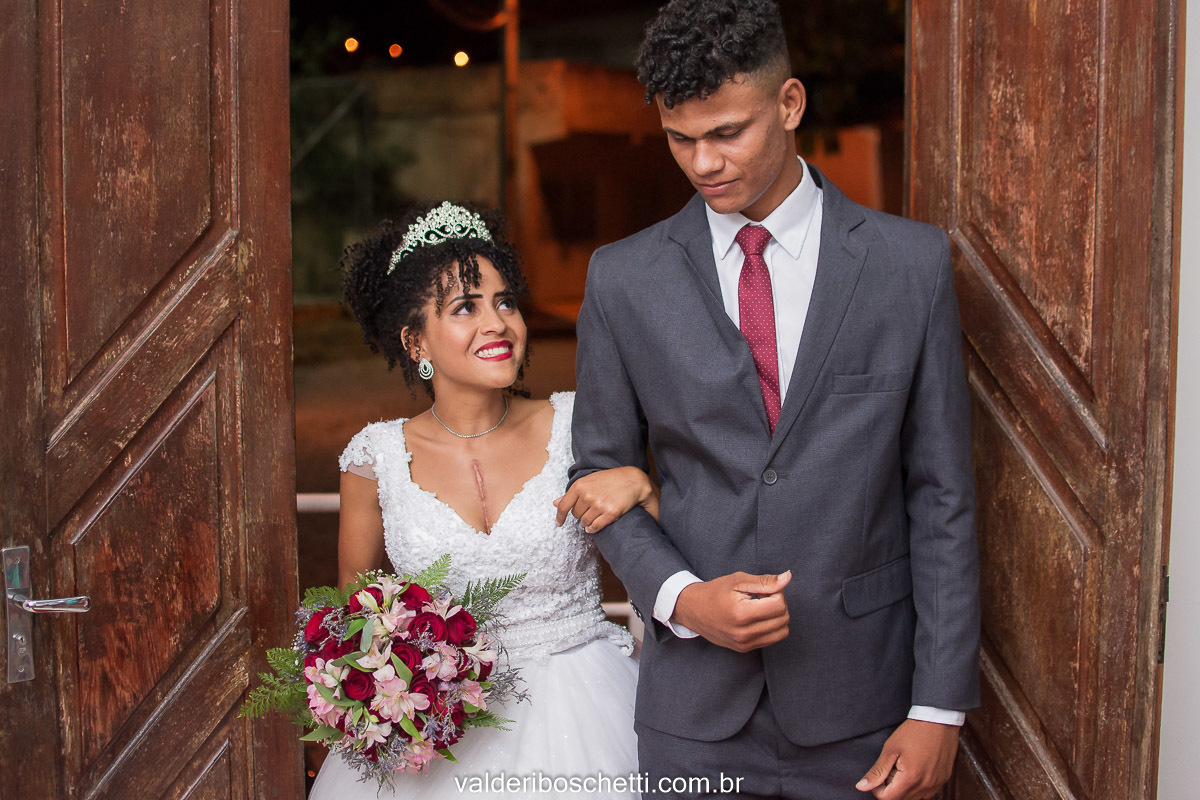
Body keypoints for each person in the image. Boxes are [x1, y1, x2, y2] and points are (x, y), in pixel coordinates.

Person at [560, 1, 981, 798]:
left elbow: (942, 496)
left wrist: (939, 707)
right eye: (680, 138)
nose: (702, 163)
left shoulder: (909, 265)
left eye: (727, 133)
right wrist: (684, 601)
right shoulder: (624, 278)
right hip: (692, 717)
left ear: (789, 104)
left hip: (868, 709)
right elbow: (599, 478)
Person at [309, 201, 649, 799]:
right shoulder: (375, 460)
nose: (498, 323)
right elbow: (355, 633)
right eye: (466, 307)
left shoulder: (579, 422)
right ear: (416, 340)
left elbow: (674, 541)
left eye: (505, 302)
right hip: (438, 739)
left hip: (587, 711)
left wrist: (646, 485)